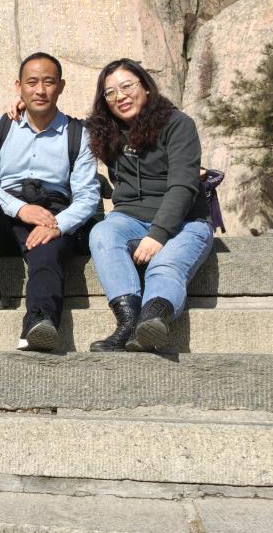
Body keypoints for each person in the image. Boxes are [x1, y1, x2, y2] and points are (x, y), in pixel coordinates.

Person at [0, 52, 100, 351]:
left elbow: (87, 195)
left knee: (48, 250)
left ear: (61, 86)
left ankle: (39, 321)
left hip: (51, 214)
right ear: (18, 86)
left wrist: (58, 224)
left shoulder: (78, 134)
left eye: (48, 82)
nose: (40, 90)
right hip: (4, 219)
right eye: (32, 82)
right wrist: (21, 208)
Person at [85, 58, 214, 352]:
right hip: (129, 218)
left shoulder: (177, 124)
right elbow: (59, 127)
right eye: (110, 92)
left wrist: (158, 235)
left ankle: (152, 322)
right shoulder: (105, 131)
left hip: (185, 222)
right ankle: (129, 324)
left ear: (145, 87)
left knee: (164, 263)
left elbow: (183, 185)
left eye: (127, 86)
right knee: (103, 233)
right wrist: (26, 110)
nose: (120, 96)